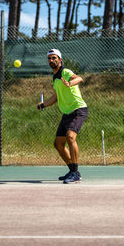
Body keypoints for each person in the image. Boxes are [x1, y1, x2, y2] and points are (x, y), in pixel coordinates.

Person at [37, 49, 88, 184]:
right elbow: (56, 97)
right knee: (58, 144)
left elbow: (79, 78)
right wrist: (44, 105)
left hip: (78, 110)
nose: (51, 60)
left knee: (70, 137)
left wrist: (70, 83)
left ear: (60, 59)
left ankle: (76, 173)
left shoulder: (66, 72)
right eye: (49, 58)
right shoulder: (54, 78)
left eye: (54, 58)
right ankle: (72, 171)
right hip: (66, 113)